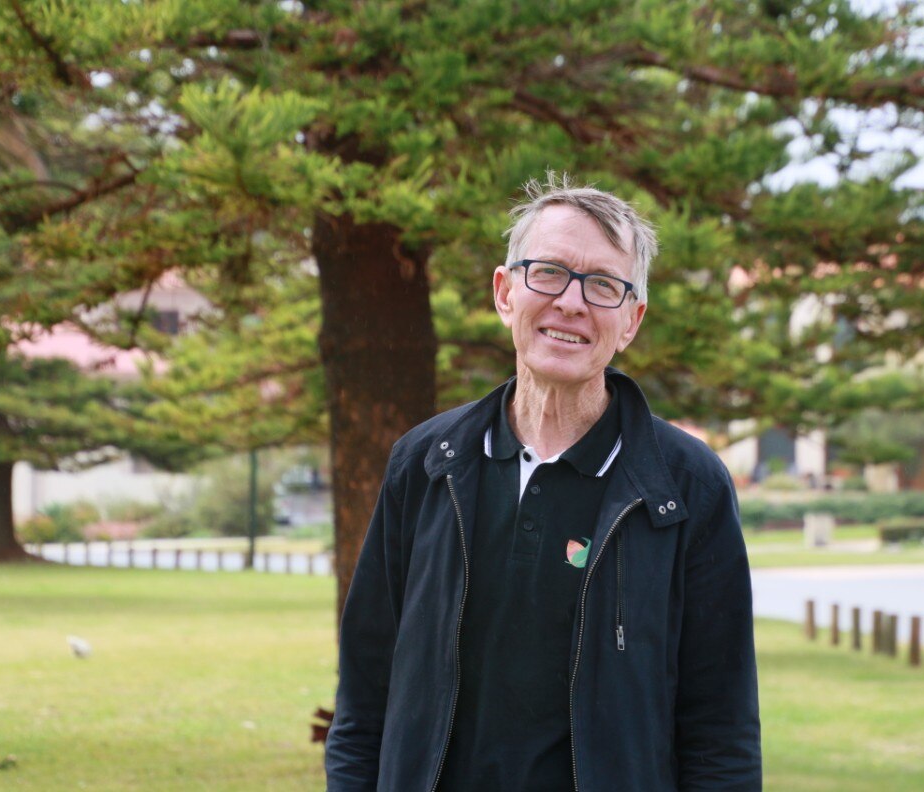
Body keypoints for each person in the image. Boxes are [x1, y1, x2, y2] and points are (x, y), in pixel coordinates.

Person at [325, 175, 761, 791]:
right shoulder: (423, 465)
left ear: (631, 320)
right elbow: (365, 704)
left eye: (603, 285)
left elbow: (722, 733)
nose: (572, 303)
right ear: (505, 293)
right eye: (548, 272)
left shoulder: (688, 487)